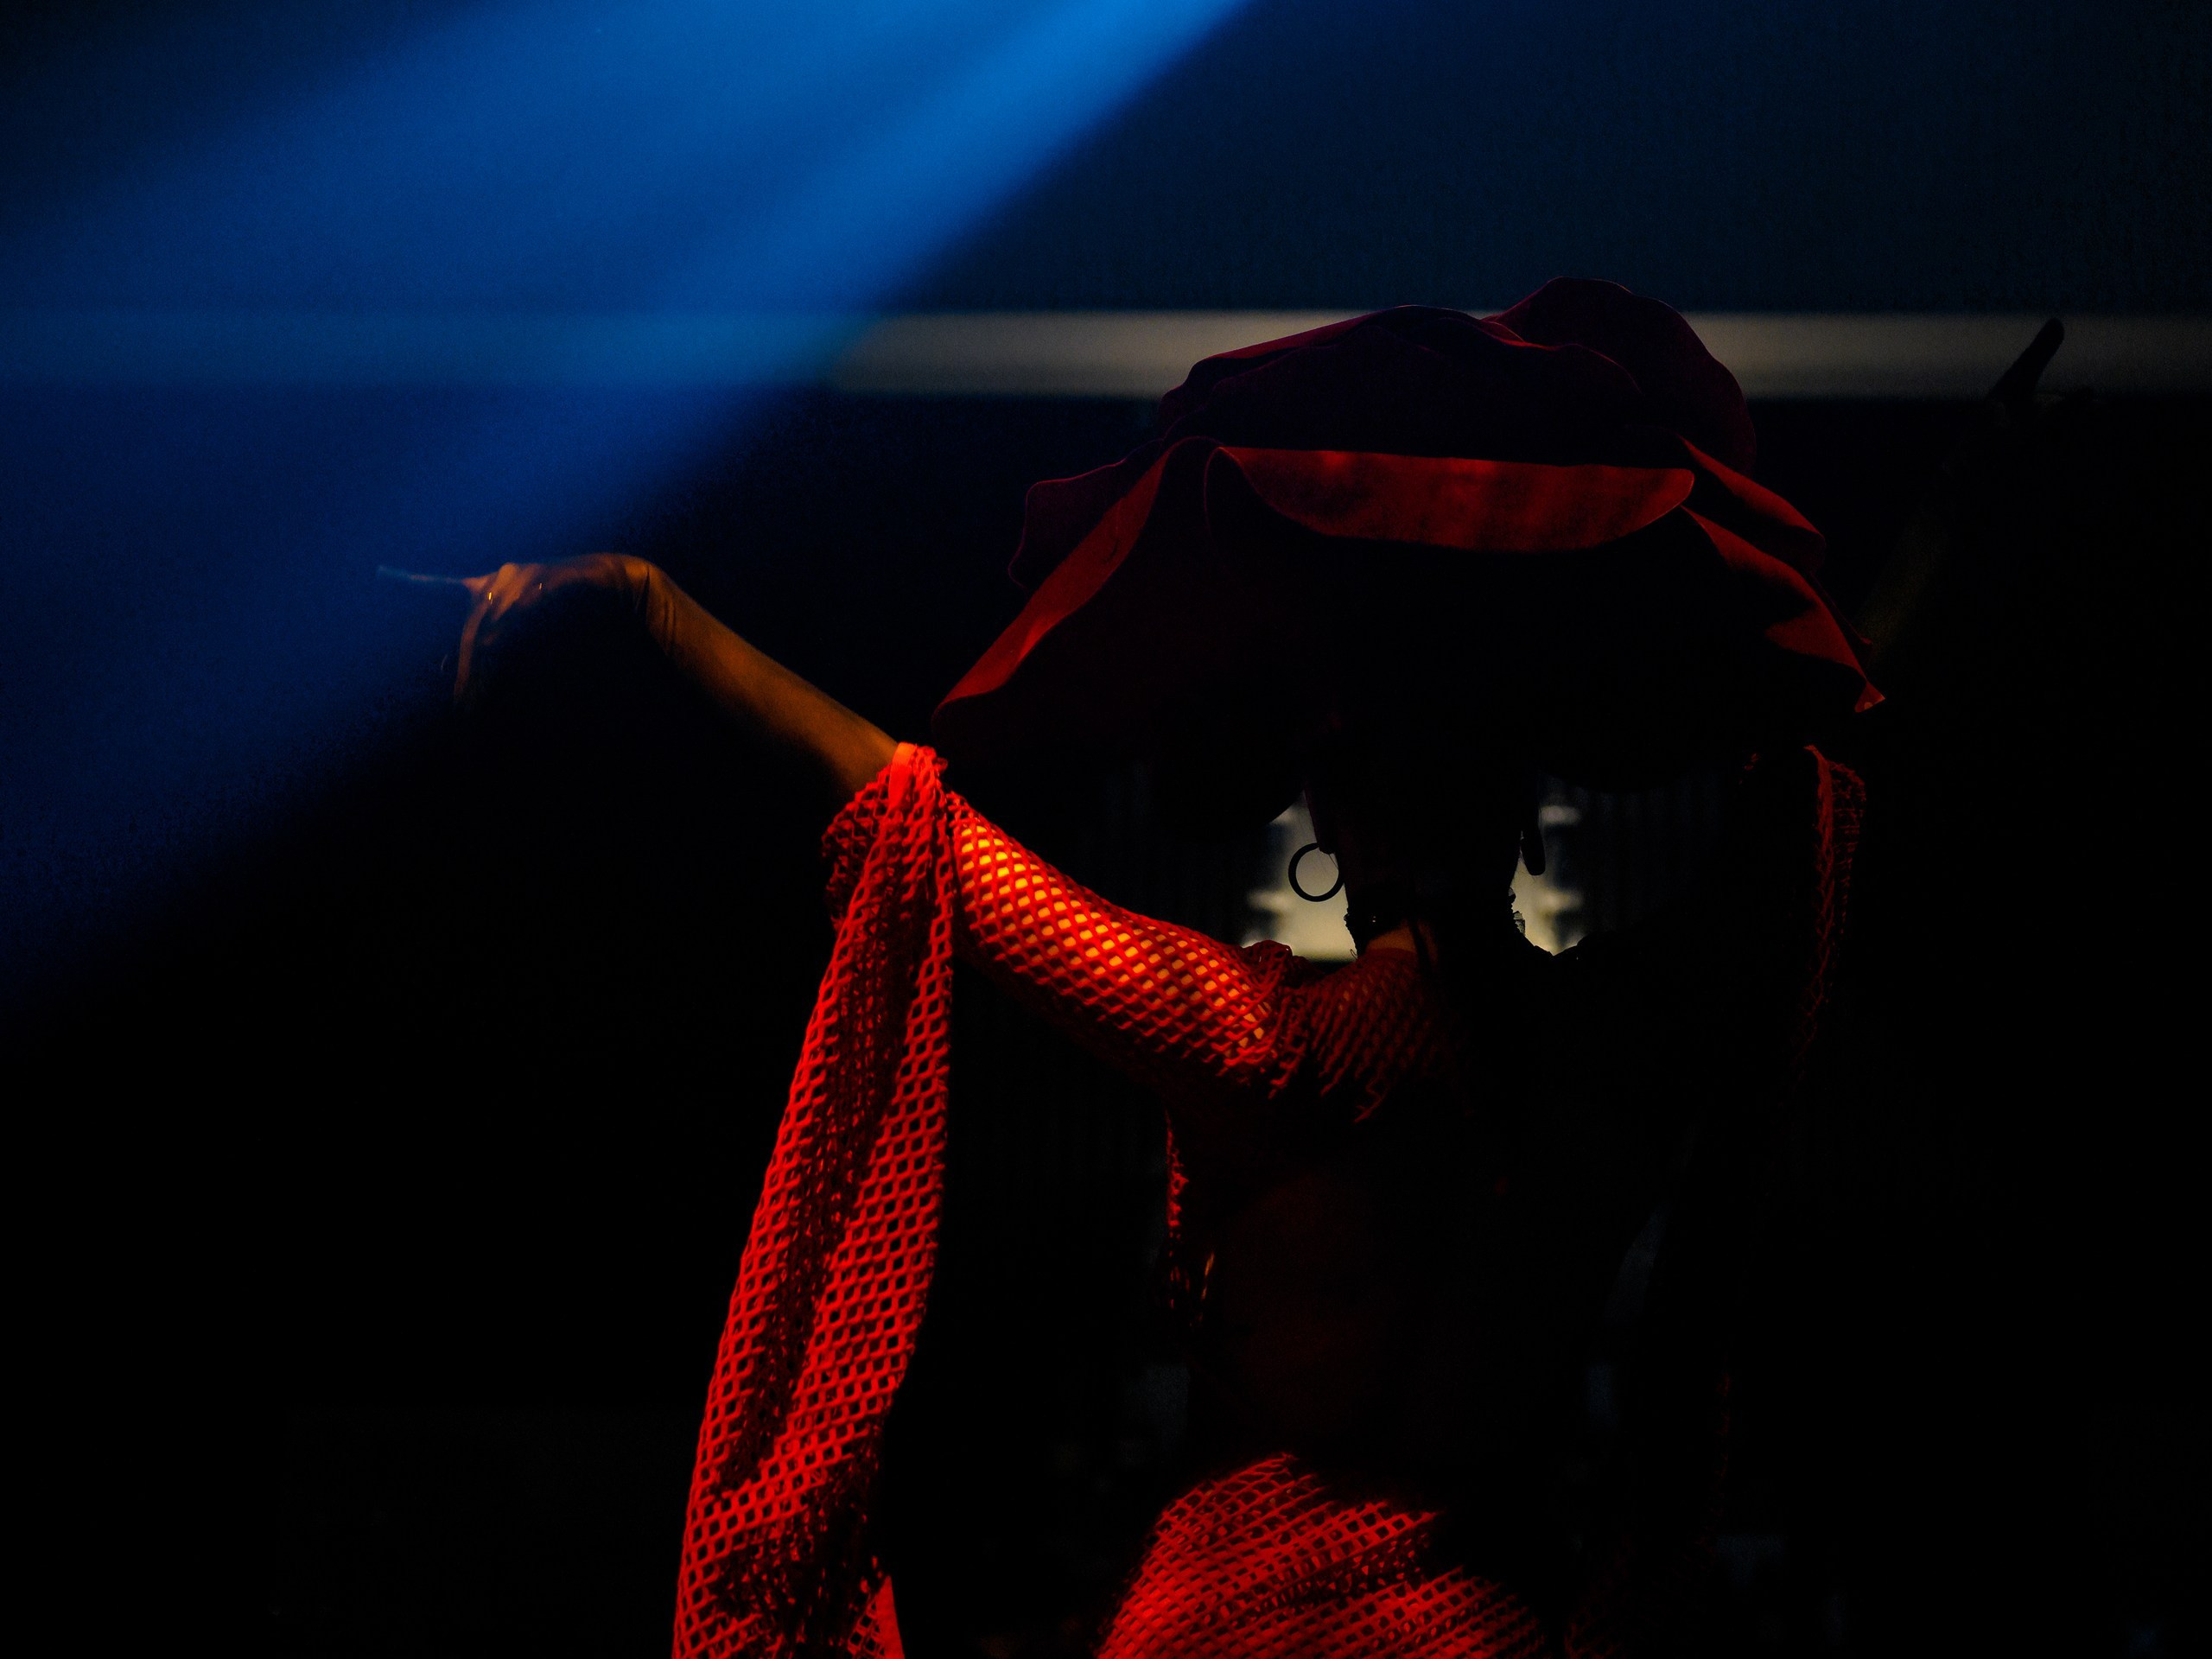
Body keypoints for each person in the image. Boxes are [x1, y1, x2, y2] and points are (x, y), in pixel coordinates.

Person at [448, 282, 1875, 1658]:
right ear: (1522, 804)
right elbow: (1790, 840)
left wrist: (648, 607)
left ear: (1331, 813)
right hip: (1485, 1630)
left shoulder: (1276, 1041)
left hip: (1232, 1629)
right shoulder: (1625, 1047)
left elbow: (913, 823)